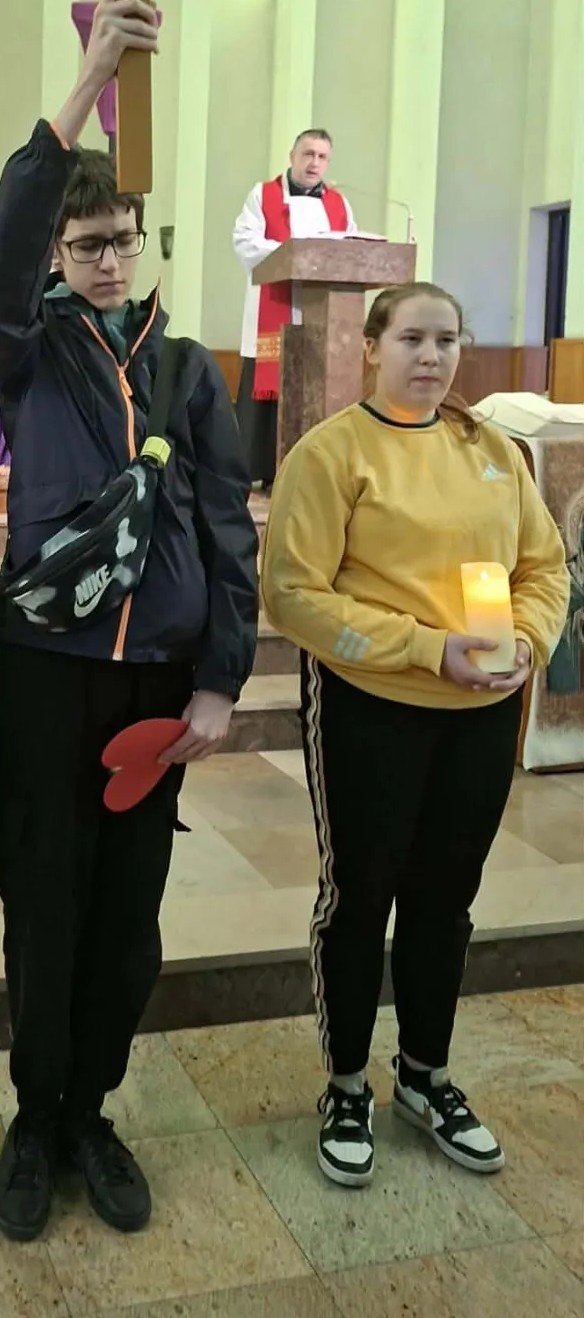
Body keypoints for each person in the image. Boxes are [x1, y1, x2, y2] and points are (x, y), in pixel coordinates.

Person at [0, 0, 260, 1243]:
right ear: (57, 250)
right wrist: (89, 78)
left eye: (120, 239)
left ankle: (93, 1108)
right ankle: (34, 1116)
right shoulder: (27, 349)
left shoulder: (186, 368)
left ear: (141, 242)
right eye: (84, 241)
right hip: (50, 663)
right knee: (44, 893)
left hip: (157, 680)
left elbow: (225, 522)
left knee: (128, 910)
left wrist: (221, 676)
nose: (104, 257)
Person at [261, 282, 569, 1190]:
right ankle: (346, 1085)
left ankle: (425, 1076)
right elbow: (291, 594)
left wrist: (527, 638)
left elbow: (543, 565)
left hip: (481, 712)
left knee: (446, 897)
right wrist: (429, 649)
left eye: (446, 339)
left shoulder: (492, 450)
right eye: (411, 338)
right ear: (370, 346)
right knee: (360, 896)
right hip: (371, 702)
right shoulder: (331, 452)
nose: (431, 356)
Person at [232, 130, 356, 488]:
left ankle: (311, 471)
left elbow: (351, 247)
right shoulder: (264, 194)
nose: (314, 162)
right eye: (308, 154)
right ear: (292, 156)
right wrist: (294, 254)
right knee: (271, 388)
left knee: (313, 387)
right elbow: (245, 241)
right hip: (274, 308)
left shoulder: (339, 204)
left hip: (321, 313)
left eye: (322, 156)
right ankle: (264, 471)